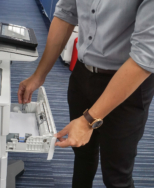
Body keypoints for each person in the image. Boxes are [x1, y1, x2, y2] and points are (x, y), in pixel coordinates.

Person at [17, 1, 154, 188]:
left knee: (116, 176)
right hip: (83, 74)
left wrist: (89, 119)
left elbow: (145, 56)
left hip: (127, 85)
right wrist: (38, 75)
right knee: (82, 155)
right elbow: (66, 14)